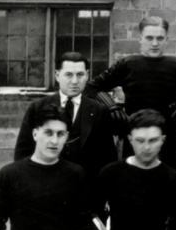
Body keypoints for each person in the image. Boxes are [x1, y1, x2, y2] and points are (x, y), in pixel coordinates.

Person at [84, 16, 176, 173]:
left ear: (167, 39)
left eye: (160, 38)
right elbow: (91, 88)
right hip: (135, 142)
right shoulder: (127, 64)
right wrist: (112, 107)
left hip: (168, 144)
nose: (155, 43)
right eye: (149, 38)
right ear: (140, 39)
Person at [14, 52, 117, 181]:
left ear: (87, 75)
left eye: (80, 75)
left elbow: (108, 157)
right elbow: (23, 151)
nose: (74, 81)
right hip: (46, 184)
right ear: (57, 75)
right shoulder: (37, 107)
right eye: (68, 75)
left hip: (85, 189)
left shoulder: (99, 111)